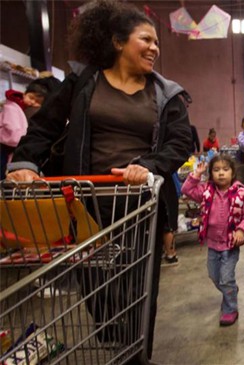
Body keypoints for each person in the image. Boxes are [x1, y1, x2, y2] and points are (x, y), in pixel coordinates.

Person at [5, 0, 192, 362]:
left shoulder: (166, 94)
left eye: (157, 43)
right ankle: (120, 347)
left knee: (139, 290)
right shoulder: (83, 81)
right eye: (146, 39)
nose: (155, 48)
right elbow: (44, 126)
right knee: (99, 290)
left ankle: (137, 354)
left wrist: (148, 166)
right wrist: (24, 165)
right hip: (86, 203)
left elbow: (179, 143)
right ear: (118, 42)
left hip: (141, 206)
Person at [181, 154, 244, 326]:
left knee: (226, 277)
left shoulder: (242, 193)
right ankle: (230, 291)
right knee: (214, 276)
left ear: (232, 172)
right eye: (216, 170)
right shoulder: (206, 190)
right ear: (211, 173)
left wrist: (241, 231)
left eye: (225, 169)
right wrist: (196, 175)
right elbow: (186, 190)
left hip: (230, 245)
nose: (221, 173)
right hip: (213, 244)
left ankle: (230, 309)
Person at [1, 76, 61, 179]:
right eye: (31, 98)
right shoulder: (12, 108)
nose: (33, 103)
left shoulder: (22, 109)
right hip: (9, 153)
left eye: (38, 102)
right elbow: (14, 133)